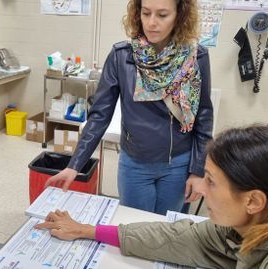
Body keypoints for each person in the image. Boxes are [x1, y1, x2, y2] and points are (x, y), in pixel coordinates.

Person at [36, 125, 268, 268]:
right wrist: (87, 230)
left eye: (210, 182)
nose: (200, 190)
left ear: (253, 201)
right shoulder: (250, 224)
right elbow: (178, 237)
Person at [46, 0, 213, 214]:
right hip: (135, 164)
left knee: (165, 234)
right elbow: (99, 115)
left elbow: (204, 115)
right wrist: (74, 164)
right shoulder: (122, 56)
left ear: (179, 15)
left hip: (178, 164)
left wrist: (198, 170)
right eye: (146, 13)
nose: (152, 23)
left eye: (162, 15)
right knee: (133, 228)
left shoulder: (196, 56)